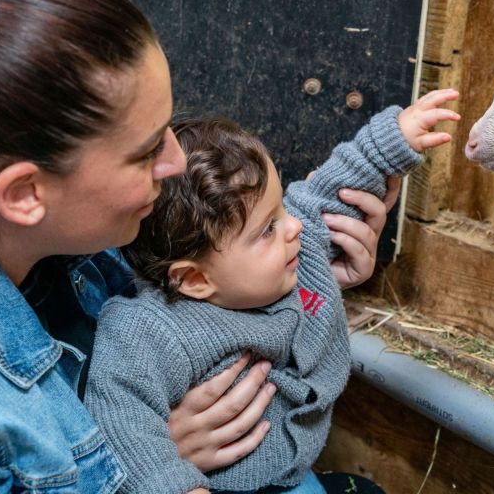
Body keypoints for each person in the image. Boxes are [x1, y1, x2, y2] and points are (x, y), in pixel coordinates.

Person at [0, 0, 397, 492]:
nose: (175, 163)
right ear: (24, 194)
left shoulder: (82, 230)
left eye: (167, 131)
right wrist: (142, 462)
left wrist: (311, 280)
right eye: (147, 151)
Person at [85, 89, 460, 494]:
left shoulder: (293, 249)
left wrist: (392, 140)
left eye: (280, 209)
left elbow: (329, 192)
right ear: (194, 280)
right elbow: (122, 420)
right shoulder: (146, 330)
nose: (293, 226)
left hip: (293, 475)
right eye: (267, 228)